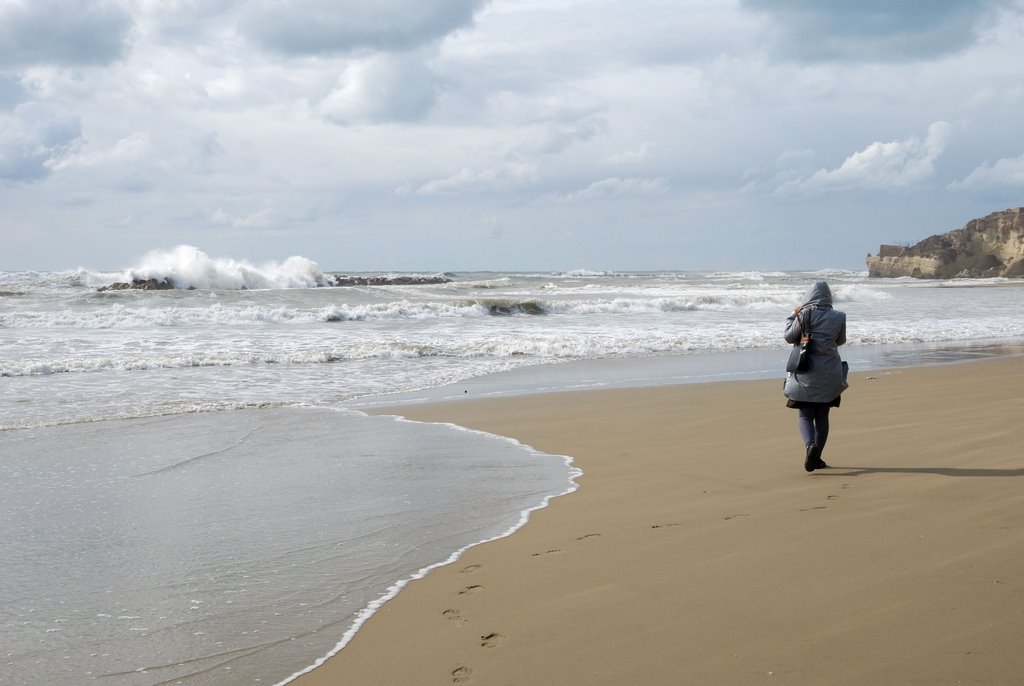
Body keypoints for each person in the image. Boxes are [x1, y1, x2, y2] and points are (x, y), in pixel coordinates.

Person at [783, 281, 847, 472]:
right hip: (829, 371)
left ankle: (809, 444)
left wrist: (793, 315)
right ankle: (816, 458)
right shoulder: (839, 316)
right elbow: (841, 340)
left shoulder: (804, 314)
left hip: (805, 372)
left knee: (805, 414)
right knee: (822, 416)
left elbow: (788, 336)